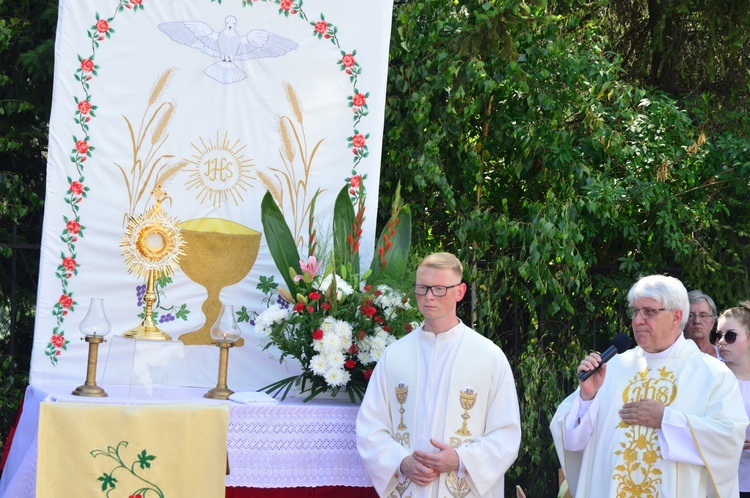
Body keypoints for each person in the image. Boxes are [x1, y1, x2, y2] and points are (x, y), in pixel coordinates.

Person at [550, 274, 749, 497]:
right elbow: (572, 441)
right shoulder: (612, 368)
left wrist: (666, 420)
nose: (637, 320)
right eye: (635, 311)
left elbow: (729, 439)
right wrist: (587, 399)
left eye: (649, 311)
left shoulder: (712, 374)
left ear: (676, 317)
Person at [356, 252, 521, 497]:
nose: (429, 296)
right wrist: (402, 462)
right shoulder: (395, 355)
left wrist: (460, 459)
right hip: (410, 488)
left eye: (439, 289)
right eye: (422, 288)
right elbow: (370, 426)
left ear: (460, 291)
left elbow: (506, 433)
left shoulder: (489, 356)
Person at [716, 302, 750, 498]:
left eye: (730, 336)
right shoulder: (711, 378)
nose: (721, 341)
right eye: (718, 335)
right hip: (721, 482)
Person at [685, 289, 720, 358]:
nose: (697, 321)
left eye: (703, 315)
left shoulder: (726, 358)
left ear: (713, 322)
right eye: (690, 315)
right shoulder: (674, 359)